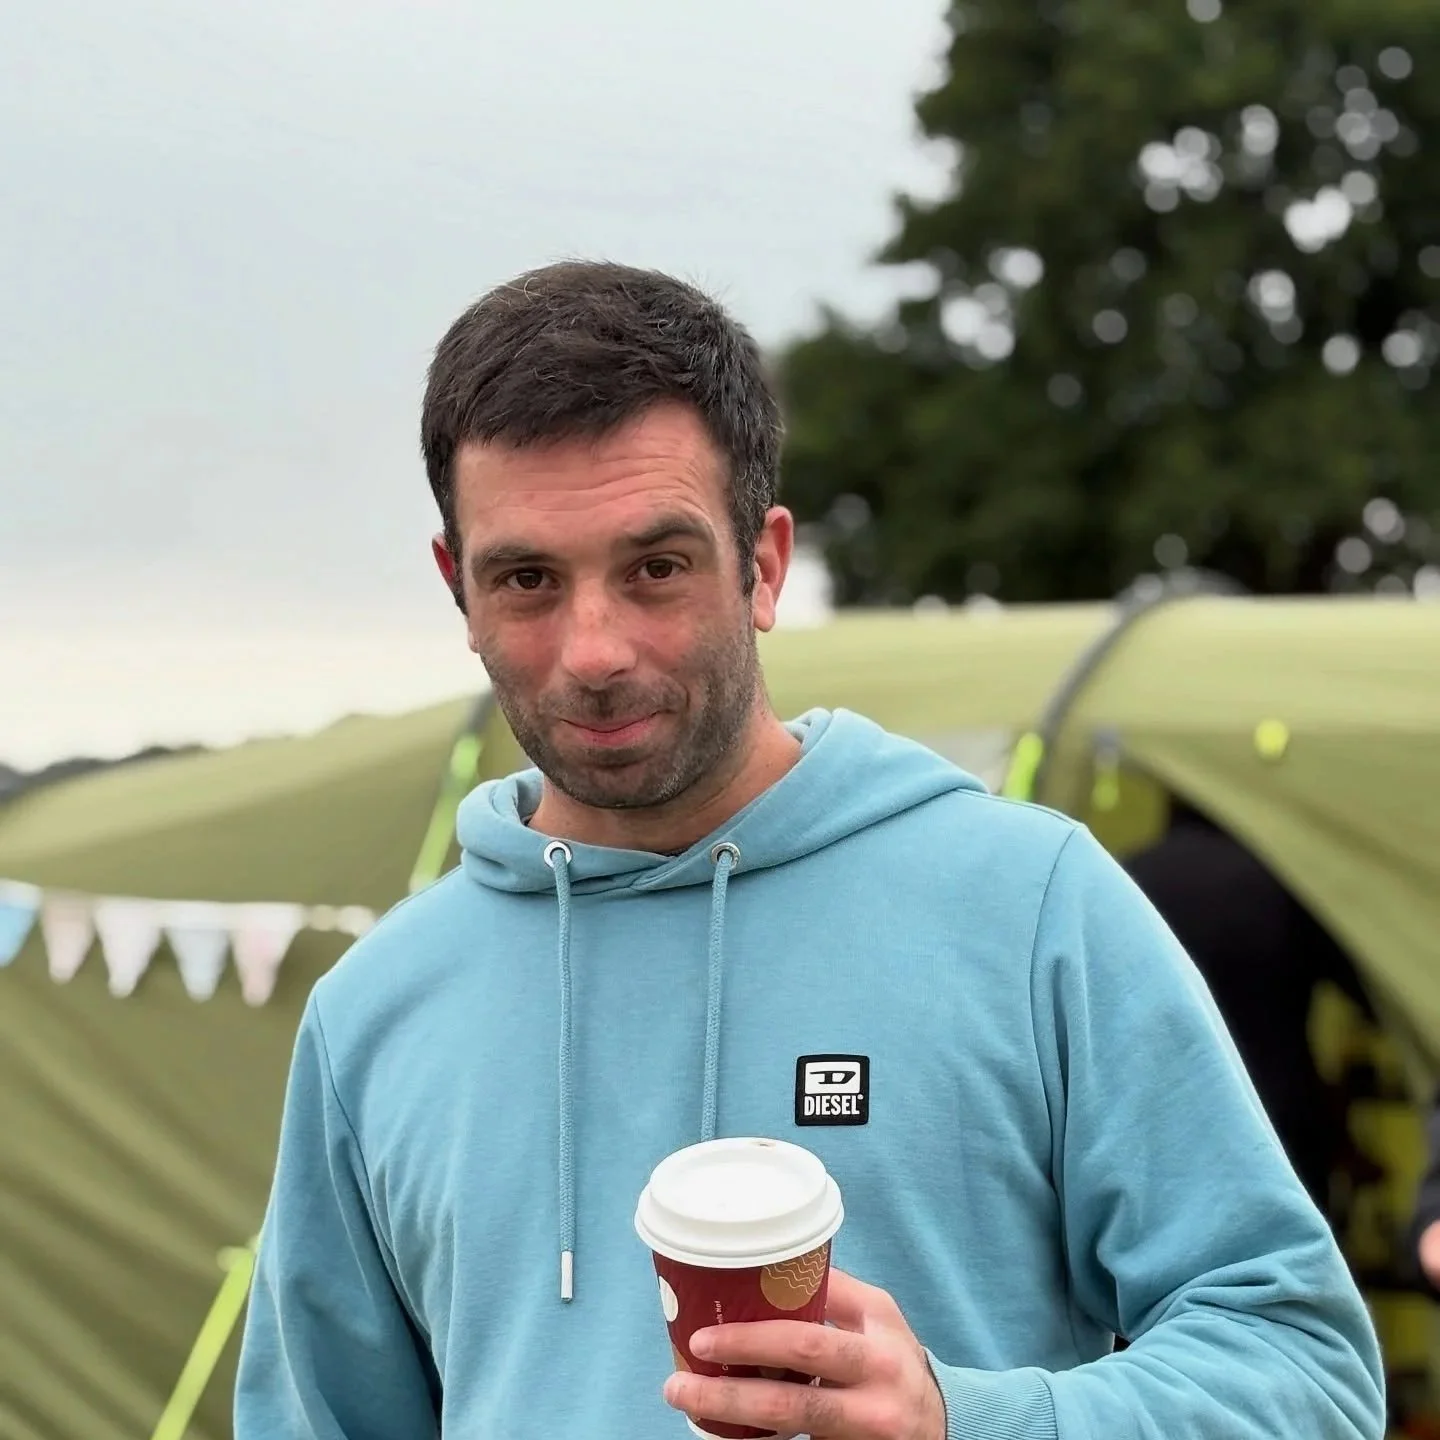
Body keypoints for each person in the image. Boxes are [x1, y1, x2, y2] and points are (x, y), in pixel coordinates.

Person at [234, 261, 1385, 1439]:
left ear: (766, 564)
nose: (593, 648)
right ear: (456, 588)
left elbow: (1308, 1372)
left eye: (656, 568)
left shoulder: (1028, 906)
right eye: (527, 579)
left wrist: (967, 1420)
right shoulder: (375, 1011)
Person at [1124, 797, 1373, 1208]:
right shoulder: (1282, 883)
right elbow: (1361, 989)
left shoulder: (1126, 880)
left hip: (1163, 1123)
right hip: (1277, 1122)